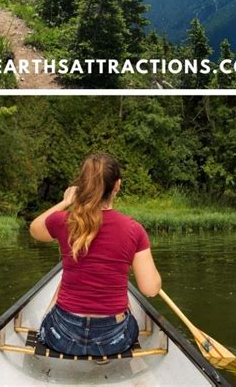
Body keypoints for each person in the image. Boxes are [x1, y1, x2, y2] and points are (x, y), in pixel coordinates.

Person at [29, 153, 161, 358]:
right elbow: (150, 289)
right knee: (127, 308)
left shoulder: (64, 221)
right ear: (117, 186)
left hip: (62, 337)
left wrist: (66, 202)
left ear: (82, 185)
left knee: (61, 282)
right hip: (114, 341)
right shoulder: (134, 230)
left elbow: (35, 229)